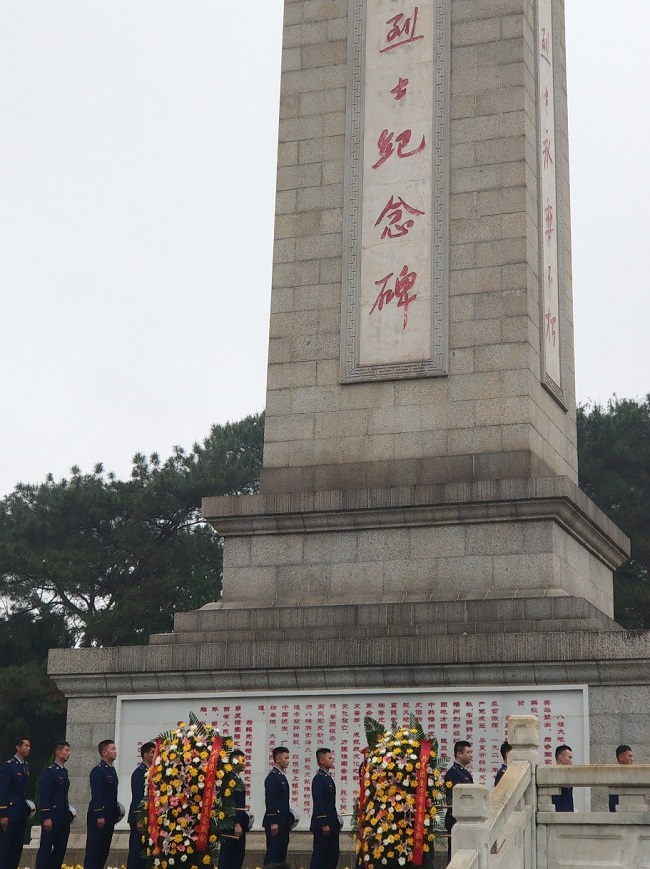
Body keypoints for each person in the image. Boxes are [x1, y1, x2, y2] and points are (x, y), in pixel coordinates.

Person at [35, 741, 72, 869]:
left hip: (63, 817)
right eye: (66, 750)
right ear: (58, 752)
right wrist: (46, 816)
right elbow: (45, 795)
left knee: (60, 850)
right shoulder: (50, 772)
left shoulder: (64, 772)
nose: (69, 753)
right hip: (52, 816)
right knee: (46, 849)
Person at [83, 739, 119, 869]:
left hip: (109, 815)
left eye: (115, 749)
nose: (115, 752)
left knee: (103, 851)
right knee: (94, 851)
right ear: (104, 752)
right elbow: (97, 794)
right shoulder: (98, 771)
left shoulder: (111, 770)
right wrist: (100, 814)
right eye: (112, 749)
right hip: (99, 816)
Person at [0, 736, 31, 869]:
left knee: (16, 849)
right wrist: (3, 814)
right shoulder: (9, 766)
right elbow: (3, 790)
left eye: (29, 746)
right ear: (18, 747)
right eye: (26, 746)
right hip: (10, 813)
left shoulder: (26, 766)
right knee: (5, 848)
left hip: (20, 814)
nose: (28, 748)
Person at [310, 748, 341, 869]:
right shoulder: (318, 779)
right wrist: (324, 823)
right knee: (320, 856)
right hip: (324, 825)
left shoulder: (327, 778)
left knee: (333, 855)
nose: (332, 760)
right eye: (329, 758)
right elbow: (319, 802)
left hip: (332, 823)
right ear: (322, 760)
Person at [218, 749, 249, 869]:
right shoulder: (228, 779)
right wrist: (236, 823)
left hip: (240, 823)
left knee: (238, 855)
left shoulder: (237, 778)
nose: (244, 763)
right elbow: (228, 803)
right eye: (242, 760)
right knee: (228, 856)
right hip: (230, 825)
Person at [127, 741, 156, 869]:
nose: (155, 755)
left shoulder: (152, 771)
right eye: (152, 752)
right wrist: (139, 819)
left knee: (146, 851)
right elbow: (138, 797)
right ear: (145, 755)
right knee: (136, 850)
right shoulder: (139, 773)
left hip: (150, 817)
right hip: (140, 818)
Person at [444, 741, 473, 861]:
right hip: (456, 818)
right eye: (468, 752)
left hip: (466, 817)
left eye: (471, 752)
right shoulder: (453, 773)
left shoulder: (464, 773)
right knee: (455, 853)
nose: (471, 755)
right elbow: (452, 797)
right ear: (459, 754)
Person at [263, 746, 291, 866]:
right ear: (278, 759)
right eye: (286, 758)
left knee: (281, 856)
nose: (288, 761)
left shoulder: (281, 776)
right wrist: (273, 821)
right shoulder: (273, 777)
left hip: (283, 822)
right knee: (273, 856)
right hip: (276, 823)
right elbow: (271, 800)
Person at [609, 743, 634, 812]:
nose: (632, 759)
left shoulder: (634, 774)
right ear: (621, 758)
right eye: (629, 756)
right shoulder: (614, 775)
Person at [551, 744, 574, 812]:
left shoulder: (568, 774)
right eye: (569, 758)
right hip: (557, 813)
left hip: (568, 813)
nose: (571, 761)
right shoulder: (552, 774)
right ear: (561, 758)